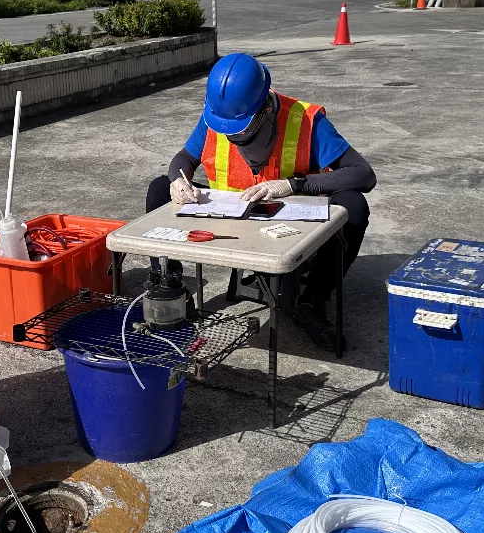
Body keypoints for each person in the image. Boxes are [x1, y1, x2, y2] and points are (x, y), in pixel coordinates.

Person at [146, 53, 376, 351]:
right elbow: (184, 158)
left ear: (265, 110)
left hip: (291, 217)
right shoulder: (219, 117)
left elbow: (363, 174)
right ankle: (170, 287)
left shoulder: (307, 121)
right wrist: (179, 179)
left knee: (354, 206)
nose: (233, 137)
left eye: (242, 131)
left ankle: (312, 300)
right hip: (232, 213)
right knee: (159, 188)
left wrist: (293, 184)